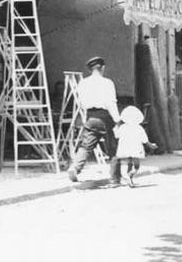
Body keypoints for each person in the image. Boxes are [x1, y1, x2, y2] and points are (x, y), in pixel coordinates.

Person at [71, 56, 122, 185]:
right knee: (113, 148)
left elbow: (82, 103)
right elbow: (111, 103)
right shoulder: (107, 83)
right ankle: (115, 179)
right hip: (105, 117)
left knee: (86, 146)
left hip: (90, 116)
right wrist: (117, 120)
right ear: (102, 68)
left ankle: (75, 168)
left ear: (90, 69)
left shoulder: (83, 83)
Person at [114, 105, 156, 187]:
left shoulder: (122, 127)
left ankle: (127, 176)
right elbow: (145, 140)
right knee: (136, 166)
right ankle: (130, 175)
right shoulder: (139, 128)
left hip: (124, 148)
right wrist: (151, 145)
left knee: (126, 163)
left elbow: (117, 136)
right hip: (136, 149)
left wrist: (115, 128)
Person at [67, 116, 108, 183]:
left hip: (89, 119)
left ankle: (76, 167)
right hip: (105, 119)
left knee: (86, 147)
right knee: (113, 147)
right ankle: (116, 174)